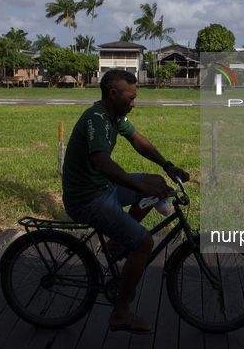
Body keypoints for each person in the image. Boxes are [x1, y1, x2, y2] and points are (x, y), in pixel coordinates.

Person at [61, 69, 189, 334]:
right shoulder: (96, 119)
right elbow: (104, 164)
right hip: (86, 198)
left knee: (155, 181)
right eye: (130, 98)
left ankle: (119, 240)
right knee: (144, 243)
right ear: (113, 94)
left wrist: (167, 166)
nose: (134, 103)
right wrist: (140, 188)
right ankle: (119, 313)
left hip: (101, 188)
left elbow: (137, 141)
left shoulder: (115, 116)